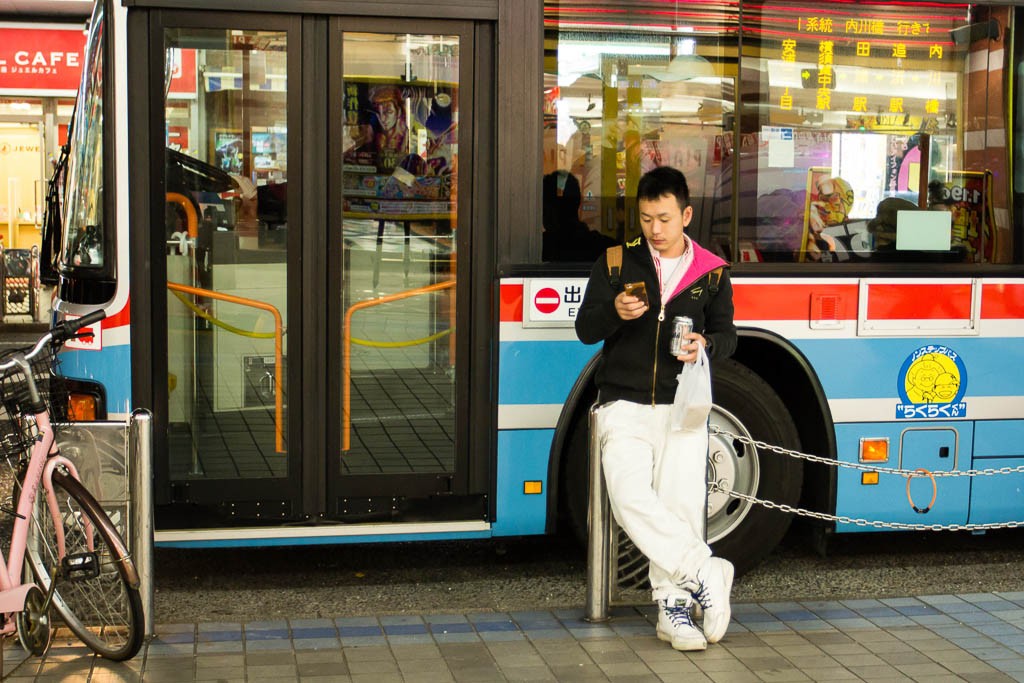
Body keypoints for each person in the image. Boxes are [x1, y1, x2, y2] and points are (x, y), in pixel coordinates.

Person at [575, 166, 737, 652]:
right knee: (628, 497)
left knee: (681, 508)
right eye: (646, 219)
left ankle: (673, 607)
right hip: (622, 404)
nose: (655, 230)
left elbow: (730, 337)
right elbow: (586, 328)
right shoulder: (614, 262)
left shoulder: (711, 271)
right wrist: (614, 313)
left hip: (681, 407)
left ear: (686, 215)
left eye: (665, 219)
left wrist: (704, 343)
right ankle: (705, 569)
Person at [542, 170, 616, 262]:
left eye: (543, 207)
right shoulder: (607, 249)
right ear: (578, 202)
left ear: (549, 210)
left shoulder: (539, 250)